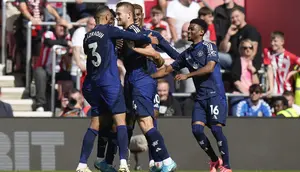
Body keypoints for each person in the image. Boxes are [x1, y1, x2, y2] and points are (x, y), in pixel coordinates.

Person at [76, 5, 159, 172]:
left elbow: (98, 52)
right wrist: (150, 40)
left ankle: (82, 164)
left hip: (91, 84)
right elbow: (133, 35)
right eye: (112, 19)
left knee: (96, 123)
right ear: (106, 18)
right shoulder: (109, 30)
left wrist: (114, 46)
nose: (114, 22)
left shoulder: (87, 37)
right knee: (120, 121)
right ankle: (122, 163)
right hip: (109, 83)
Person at [150, 18, 232, 172]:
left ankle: (226, 166)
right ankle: (215, 160)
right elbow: (168, 69)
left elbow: (209, 68)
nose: (188, 31)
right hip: (200, 98)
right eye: (188, 29)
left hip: (215, 95)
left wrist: (187, 75)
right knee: (197, 131)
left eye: (192, 29)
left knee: (216, 130)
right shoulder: (186, 54)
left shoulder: (209, 46)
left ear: (201, 32)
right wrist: (149, 77)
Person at [116, 2, 177, 172]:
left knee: (147, 121)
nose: (135, 17)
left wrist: (167, 64)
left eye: (138, 14)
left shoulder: (143, 34)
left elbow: (157, 53)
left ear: (141, 15)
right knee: (130, 121)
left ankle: (162, 160)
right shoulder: (126, 35)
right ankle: (123, 162)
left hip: (143, 81)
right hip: (131, 80)